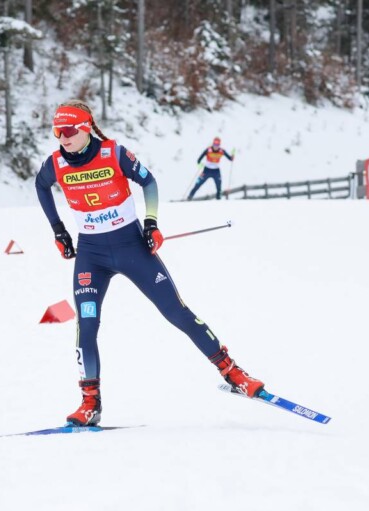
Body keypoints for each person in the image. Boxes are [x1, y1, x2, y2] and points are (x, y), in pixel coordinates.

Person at [35, 100, 264, 426]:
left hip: (131, 248)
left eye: (69, 129)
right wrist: (58, 231)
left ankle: (232, 372)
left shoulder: (113, 154)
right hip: (91, 256)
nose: (62, 137)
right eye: (56, 130)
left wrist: (151, 222)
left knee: (176, 312)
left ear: (86, 128)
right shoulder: (55, 163)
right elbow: (41, 187)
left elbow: (149, 181)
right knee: (86, 325)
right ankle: (90, 403)